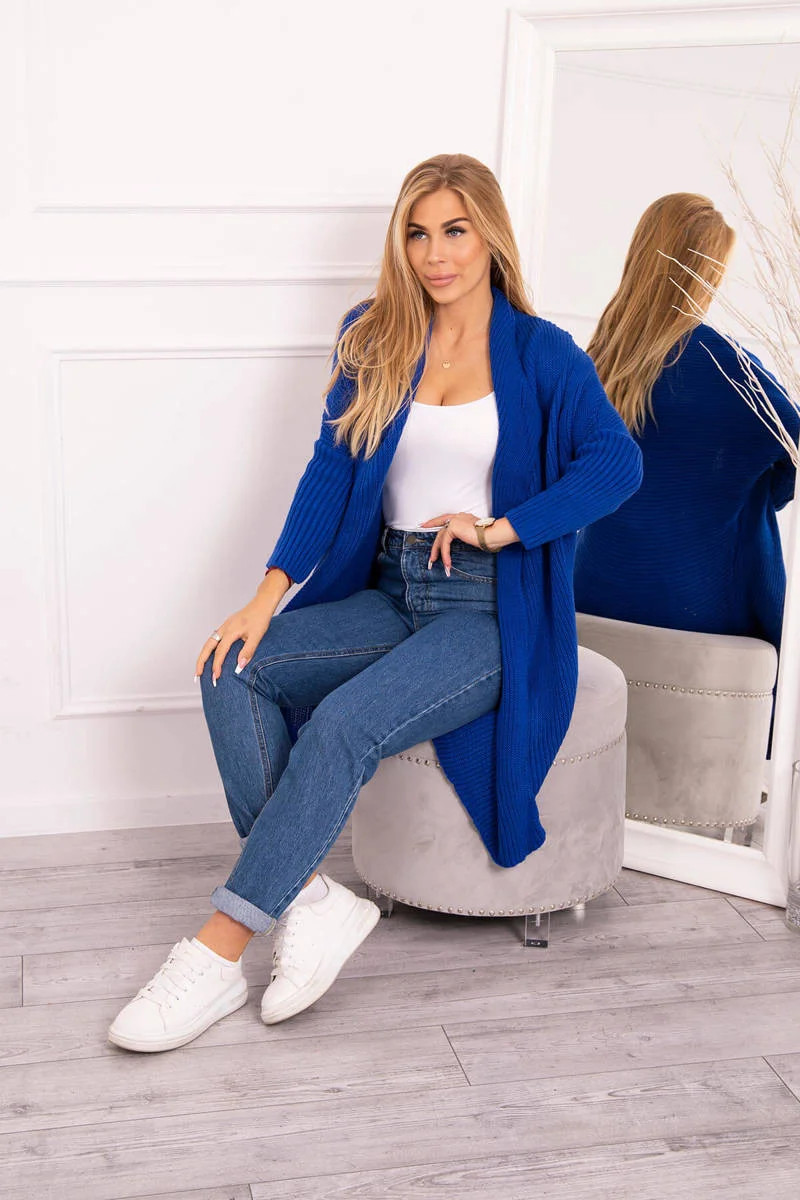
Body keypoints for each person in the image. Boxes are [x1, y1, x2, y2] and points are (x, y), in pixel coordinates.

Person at [107, 153, 642, 1054]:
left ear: (490, 235)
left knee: (343, 725)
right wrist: (265, 598)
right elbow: (329, 474)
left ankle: (215, 952)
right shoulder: (375, 335)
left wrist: (502, 529)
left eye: (456, 231)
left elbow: (617, 464)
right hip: (391, 589)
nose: (436, 254)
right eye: (418, 233)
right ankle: (313, 901)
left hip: (488, 613)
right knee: (233, 668)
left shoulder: (541, 352)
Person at [574, 192, 798, 650]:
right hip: (699, 612)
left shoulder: (594, 360)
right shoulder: (728, 366)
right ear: (707, 274)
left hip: (589, 595)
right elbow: (792, 452)